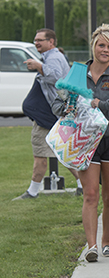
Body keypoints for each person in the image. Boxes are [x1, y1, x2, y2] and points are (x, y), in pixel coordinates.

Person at [52, 24, 109, 262]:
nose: (105, 50)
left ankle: (106, 241)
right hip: (85, 141)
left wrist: (103, 104)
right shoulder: (78, 71)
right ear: (93, 46)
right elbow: (56, 100)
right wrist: (65, 108)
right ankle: (91, 246)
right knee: (90, 194)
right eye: (101, 45)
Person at [14, 28, 83, 200]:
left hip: (47, 116)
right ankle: (82, 185)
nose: (36, 42)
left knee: (40, 153)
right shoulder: (53, 57)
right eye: (35, 39)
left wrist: (38, 66)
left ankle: (32, 192)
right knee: (62, 151)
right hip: (52, 114)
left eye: (40, 40)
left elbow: (55, 77)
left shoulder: (53, 57)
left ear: (51, 42)